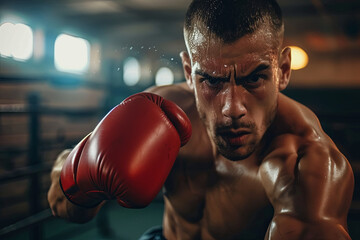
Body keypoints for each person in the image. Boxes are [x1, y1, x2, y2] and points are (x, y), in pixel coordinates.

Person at [47, 0, 355, 239]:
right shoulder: (160, 111)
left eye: (255, 79)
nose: (232, 109)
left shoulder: (303, 158)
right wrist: (83, 177)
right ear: (187, 71)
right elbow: (61, 203)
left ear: (283, 70)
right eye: (211, 80)